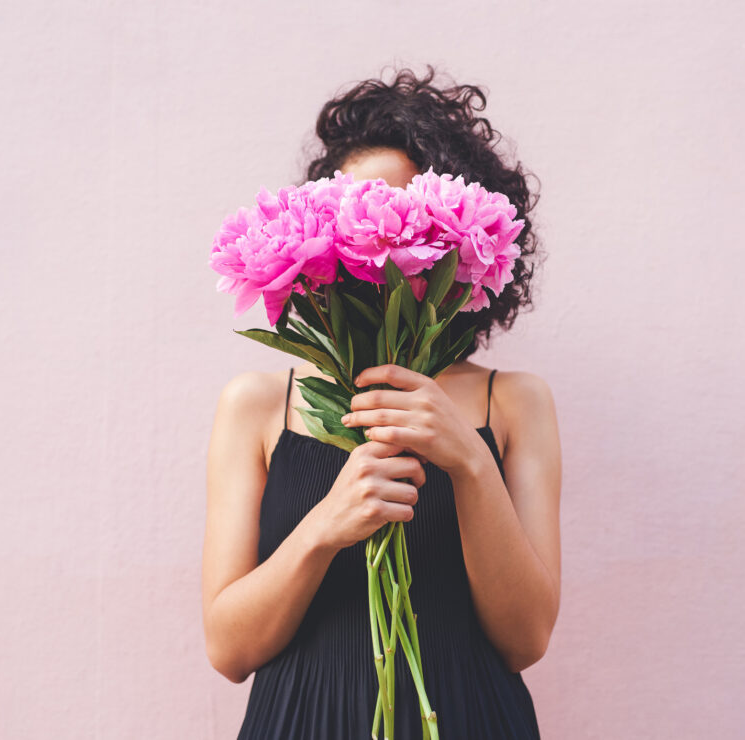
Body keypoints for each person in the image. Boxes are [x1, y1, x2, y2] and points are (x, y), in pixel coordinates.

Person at [202, 65, 562, 739]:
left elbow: (524, 640)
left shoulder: (514, 403)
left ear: (454, 234)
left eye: (400, 211)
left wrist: (470, 463)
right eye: (344, 214)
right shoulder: (255, 406)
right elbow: (229, 649)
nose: (371, 234)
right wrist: (325, 526)